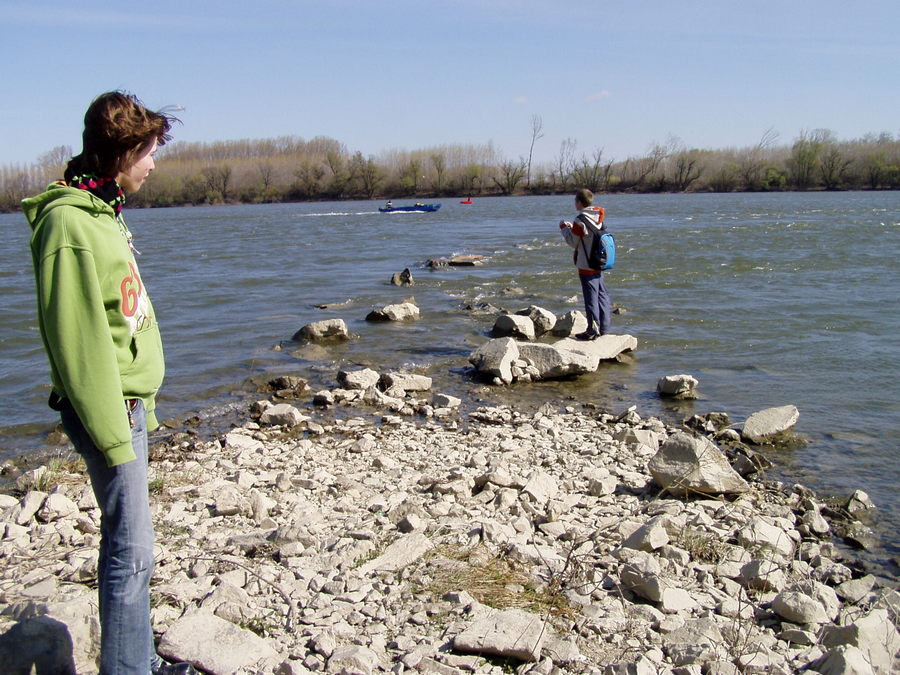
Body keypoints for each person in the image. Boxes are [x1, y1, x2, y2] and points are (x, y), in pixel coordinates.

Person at [23, 92, 197, 675]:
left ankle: (137, 657)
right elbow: (78, 343)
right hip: (108, 408)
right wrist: (117, 434)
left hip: (127, 404)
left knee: (135, 546)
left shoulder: (102, 212)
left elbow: (121, 320)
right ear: (121, 152)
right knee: (131, 550)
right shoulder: (68, 223)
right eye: (147, 152)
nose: (154, 164)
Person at [559, 188, 611, 340]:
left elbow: (573, 242)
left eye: (575, 200)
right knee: (602, 294)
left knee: (590, 299)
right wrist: (572, 228)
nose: (574, 203)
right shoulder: (598, 216)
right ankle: (604, 327)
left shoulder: (579, 220)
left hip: (586, 264)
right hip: (599, 261)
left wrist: (564, 228)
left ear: (580, 202)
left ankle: (592, 330)